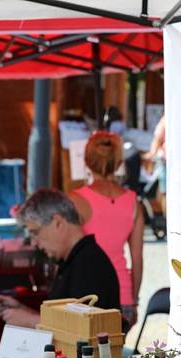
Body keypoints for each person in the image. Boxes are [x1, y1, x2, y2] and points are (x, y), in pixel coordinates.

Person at [0, 189, 120, 328]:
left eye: (35, 232)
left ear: (58, 222)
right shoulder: (73, 260)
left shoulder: (89, 264)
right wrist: (23, 310)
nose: (34, 242)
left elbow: (84, 328)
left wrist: (30, 320)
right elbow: (63, 319)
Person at [69, 131, 144, 327]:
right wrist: (133, 300)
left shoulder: (76, 200)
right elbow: (137, 258)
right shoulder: (133, 202)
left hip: (87, 295)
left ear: (86, 161)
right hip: (123, 295)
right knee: (113, 356)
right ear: (119, 163)